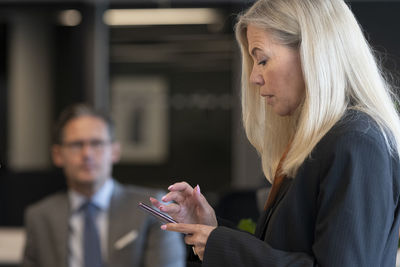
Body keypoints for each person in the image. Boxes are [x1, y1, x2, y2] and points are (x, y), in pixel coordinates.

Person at [150, 0, 400, 266]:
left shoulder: (356, 142)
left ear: (313, 52)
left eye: (263, 59)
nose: (254, 78)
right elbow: (288, 250)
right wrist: (212, 230)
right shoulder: (326, 140)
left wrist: (222, 245)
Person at [22, 103, 185, 267]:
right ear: (58, 155)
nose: (87, 154)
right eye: (76, 145)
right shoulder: (39, 216)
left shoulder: (153, 208)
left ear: (114, 151)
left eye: (97, 143)